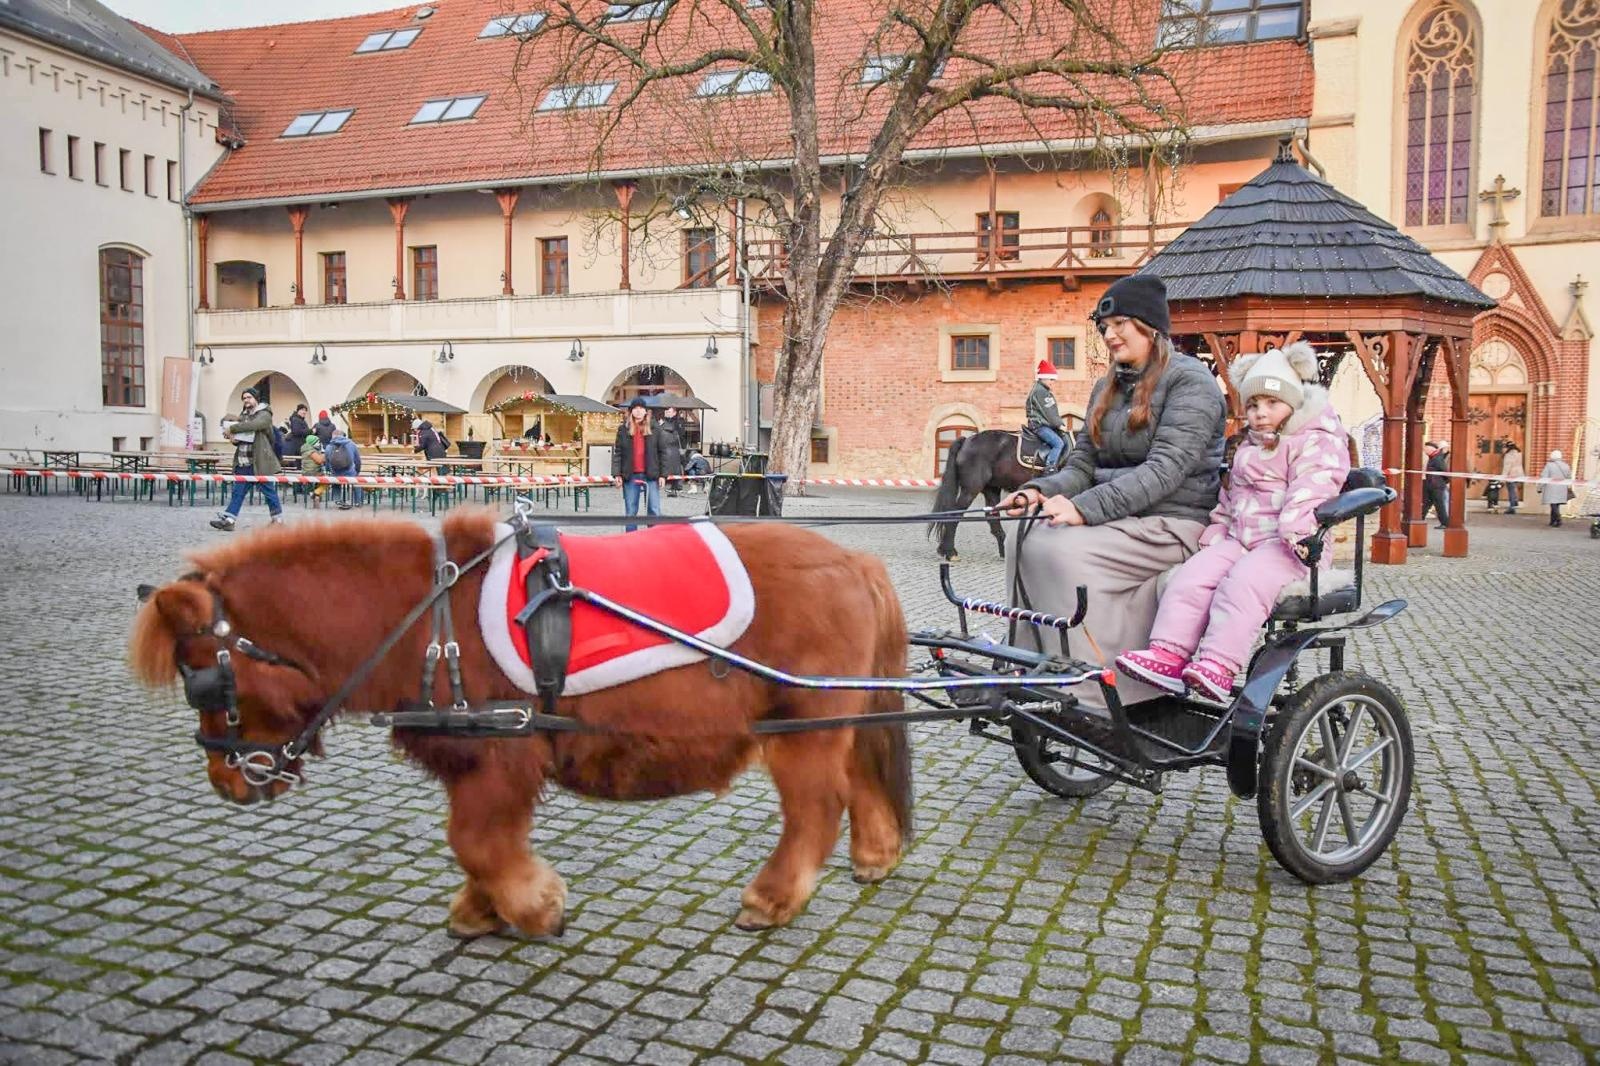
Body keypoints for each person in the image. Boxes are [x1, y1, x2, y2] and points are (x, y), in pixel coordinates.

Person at [1001, 274, 1226, 709]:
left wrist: (1083, 509)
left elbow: (1165, 471)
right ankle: (1034, 662)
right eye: (1104, 326)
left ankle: (1096, 685)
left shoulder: (1191, 383)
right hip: (1123, 519)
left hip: (1174, 523)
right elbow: (1082, 463)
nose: (1109, 334)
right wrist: (1038, 491)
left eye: (1121, 323)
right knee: (1025, 534)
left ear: (1151, 326)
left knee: (1062, 551)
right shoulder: (1107, 387)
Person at [1115, 342, 1351, 701]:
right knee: (1192, 576)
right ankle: (1168, 653)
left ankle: (1219, 664)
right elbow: (1233, 496)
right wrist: (1219, 529)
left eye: (1272, 403)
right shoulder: (1247, 447)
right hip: (1242, 539)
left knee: (1242, 585)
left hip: (1294, 548)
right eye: (1253, 405)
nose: (1259, 412)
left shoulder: (1315, 442)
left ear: (1294, 403)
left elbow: (1314, 488)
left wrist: (1298, 531)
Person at [210, 388, 284, 531]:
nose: (246, 400)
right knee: (238, 492)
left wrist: (233, 429)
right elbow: (241, 438)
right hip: (243, 460)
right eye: (244, 398)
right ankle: (229, 520)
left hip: (260, 461)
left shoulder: (265, 414)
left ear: (256, 398)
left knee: (268, 492)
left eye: (249, 397)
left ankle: (278, 521)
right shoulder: (243, 416)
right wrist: (233, 438)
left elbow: (255, 425)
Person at [612, 397, 664, 531]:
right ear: (631, 411)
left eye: (641, 408)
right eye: (635, 408)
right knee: (630, 511)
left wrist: (664, 475)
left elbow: (663, 452)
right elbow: (618, 452)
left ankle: (654, 540)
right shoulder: (623, 430)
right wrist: (617, 473)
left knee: (654, 510)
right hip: (630, 475)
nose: (638, 411)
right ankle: (631, 541)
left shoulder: (655, 429)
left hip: (651, 475)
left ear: (646, 411)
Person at [1025, 358, 1068, 469]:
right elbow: (1049, 413)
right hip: (1040, 426)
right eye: (1051, 379)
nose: (1052, 382)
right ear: (1043, 378)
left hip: (1040, 424)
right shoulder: (1041, 392)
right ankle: (1050, 468)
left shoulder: (1041, 389)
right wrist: (1059, 425)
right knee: (1058, 443)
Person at [324, 429, 363, 510]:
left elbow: (327, 462)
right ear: (343, 435)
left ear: (333, 436)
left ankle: (337, 499)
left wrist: (329, 470)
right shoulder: (351, 444)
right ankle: (357, 502)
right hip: (350, 473)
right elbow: (357, 460)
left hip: (335, 473)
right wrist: (357, 471)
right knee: (357, 483)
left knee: (335, 482)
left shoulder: (329, 446)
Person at [656, 405, 686, 496]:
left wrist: (663, 425)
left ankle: (677, 485)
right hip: (666, 446)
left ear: (674, 412)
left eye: (669, 412)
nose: (667, 414)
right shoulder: (665, 421)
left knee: (676, 468)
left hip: (674, 447)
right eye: (666, 412)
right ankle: (672, 485)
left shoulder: (678, 421)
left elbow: (679, 433)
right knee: (668, 466)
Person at [1422, 441, 1450, 529]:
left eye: (1426, 449)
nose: (1425, 451)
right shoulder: (1432, 457)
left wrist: (1442, 482)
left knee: (1439, 504)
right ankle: (1420, 519)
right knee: (1426, 503)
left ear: (1431, 449)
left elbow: (1445, 471)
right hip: (1430, 484)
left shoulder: (1437, 458)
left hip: (1436, 485)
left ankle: (1445, 523)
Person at [1541, 449, 1573, 527]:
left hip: (1551, 489)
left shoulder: (1549, 465)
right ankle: (1552, 521)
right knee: (1556, 505)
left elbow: (1543, 477)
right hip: (1562, 488)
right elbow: (1569, 477)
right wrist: (1569, 487)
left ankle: (1558, 520)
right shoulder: (1566, 465)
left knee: (1553, 505)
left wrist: (1539, 487)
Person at [299, 432, 327, 507]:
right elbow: (320, 460)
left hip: (307, 472)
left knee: (322, 480)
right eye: (317, 442)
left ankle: (316, 496)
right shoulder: (311, 451)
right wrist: (324, 453)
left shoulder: (307, 449)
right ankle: (316, 494)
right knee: (327, 481)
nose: (319, 443)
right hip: (313, 472)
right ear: (313, 443)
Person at [1501, 442, 1524, 514]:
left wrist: (1503, 478)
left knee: (1511, 490)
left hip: (1511, 474)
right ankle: (1515, 502)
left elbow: (1507, 467)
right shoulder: (1519, 453)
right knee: (1514, 489)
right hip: (1518, 473)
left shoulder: (1509, 455)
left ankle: (1512, 507)